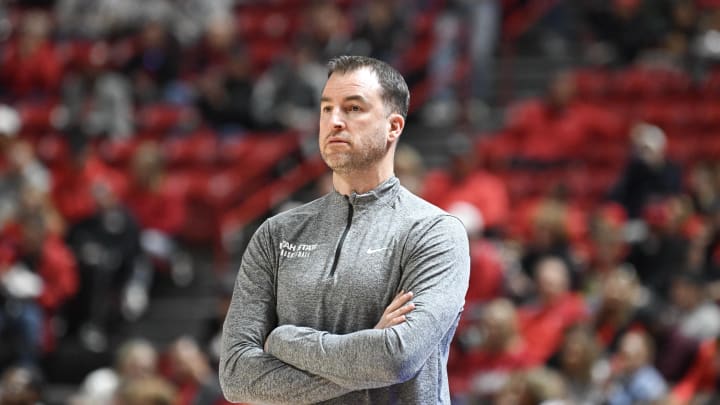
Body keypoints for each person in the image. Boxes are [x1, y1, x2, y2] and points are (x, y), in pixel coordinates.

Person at [219, 55, 470, 404]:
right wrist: (366, 355)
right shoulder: (276, 234)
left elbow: (396, 358)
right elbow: (236, 376)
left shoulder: (434, 233)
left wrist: (283, 341)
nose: (334, 121)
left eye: (353, 108)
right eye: (326, 109)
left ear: (393, 126)